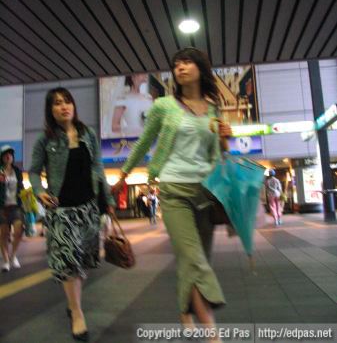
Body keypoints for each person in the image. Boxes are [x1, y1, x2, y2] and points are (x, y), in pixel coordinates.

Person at [112, 48, 232, 343]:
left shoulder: (213, 108)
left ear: (201, 69)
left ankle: (184, 308)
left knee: (196, 258)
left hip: (206, 190)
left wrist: (226, 139)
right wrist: (124, 175)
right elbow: (143, 143)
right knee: (194, 259)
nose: (180, 67)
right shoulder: (164, 106)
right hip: (174, 190)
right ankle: (212, 334)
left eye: (187, 62)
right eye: (176, 64)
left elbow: (218, 153)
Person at [29, 87, 115, 341]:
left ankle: (72, 302)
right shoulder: (45, 141)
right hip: (62, 210)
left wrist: (107, 199)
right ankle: (77, 314)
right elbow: (34, 171)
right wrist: (38, 190)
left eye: (67, 101)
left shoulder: (88, 134)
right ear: (50, 110)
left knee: (83, 261)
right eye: (57, 103)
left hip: (88, 208)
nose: (64, 106)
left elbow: (98, 167)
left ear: (74, 106)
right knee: (69, 264)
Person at [0, 145, 24, 272]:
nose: (8, 156)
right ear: (2, 157)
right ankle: (6, 261)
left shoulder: (17, 171)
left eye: (10, 154)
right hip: (2, 207)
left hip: (16, 206)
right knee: (4, 234)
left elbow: (21, 187)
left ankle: (13, 255)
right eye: (5, 154)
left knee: (19, 231)